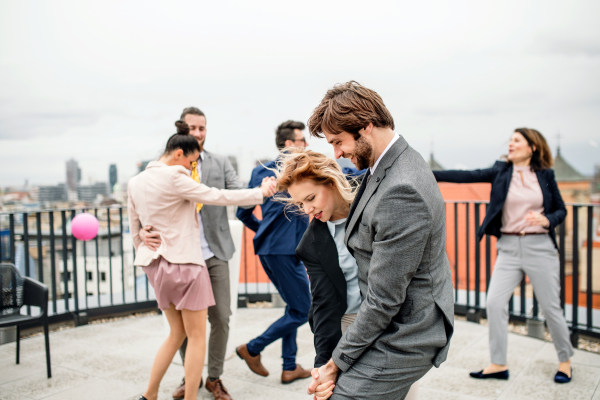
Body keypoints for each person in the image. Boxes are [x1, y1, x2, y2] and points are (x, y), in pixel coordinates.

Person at [305, 81, 455, 400]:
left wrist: (335, 363)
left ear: (366, 126)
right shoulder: (389, 163)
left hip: (407, 331)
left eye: (338, 141)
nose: (337, 154)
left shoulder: (402, 190)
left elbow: (384, 300)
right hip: (390, 319)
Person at [128, 121, 276, 400]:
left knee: (175, 334)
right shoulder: (175, 176)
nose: (192, 169)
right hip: (184, 264)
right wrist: (262, 193)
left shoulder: (135, 182)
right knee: (196, 336)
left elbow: (134, 228)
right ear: (179, 154)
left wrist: (144, 238)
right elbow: (216, 196)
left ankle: (149, 395)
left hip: (154, 265)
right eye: (192, 162)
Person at [275, 149, 420, 400]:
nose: (307, 209)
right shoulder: (311, 244)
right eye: (300, 204)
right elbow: (323, 304)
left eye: (311, 198)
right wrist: (322, 365)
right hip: (351, 326)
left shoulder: (376, 210)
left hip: (395, 321)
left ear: (331, 182)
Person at [433, 128, 574, 384]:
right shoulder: (501, 170)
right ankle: (498, 364)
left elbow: (561, 210)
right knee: (495, 304)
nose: (511, 144)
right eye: (510, 140)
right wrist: (425, 173)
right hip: (508, 247)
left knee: (551, 308)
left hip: (539, 246)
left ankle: (565, 361)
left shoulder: (545, 175)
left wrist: (546, 219)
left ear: (532, 147)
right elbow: (466, 176)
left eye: (517, 141)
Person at [139, 106, 245, 400]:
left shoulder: (220, 162)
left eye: (203, 128)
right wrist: (141, 232)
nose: (199, 133)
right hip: (179, 257)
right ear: (180, 132)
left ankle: (214, 377)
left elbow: (234, 193)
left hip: (214, 252)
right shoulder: (167, 168)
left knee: (221, 318)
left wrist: (262, 194)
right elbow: (146, 212)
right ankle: (191, 379)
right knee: (186, 327)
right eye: (193, 129)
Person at [235, 120, 312, 384]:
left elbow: (241, 211)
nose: (307, 145)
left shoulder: (259, 171)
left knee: (294, 307)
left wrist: (262, 232)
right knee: (303, 310)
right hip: (285, 250)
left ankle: (289, 367)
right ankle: (253, 348)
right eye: (303, 141)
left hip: (273, 249)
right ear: (290, 144)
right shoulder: (298, 167)